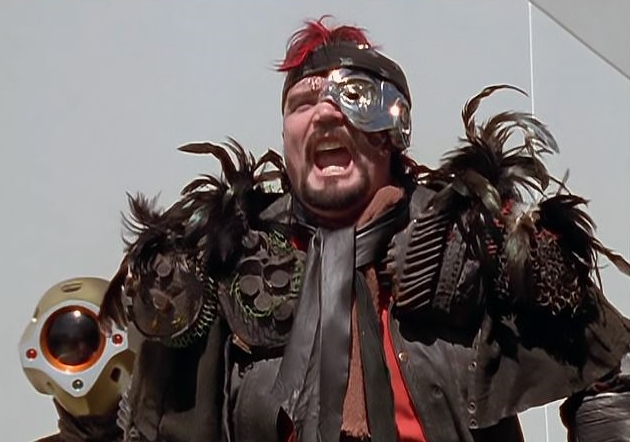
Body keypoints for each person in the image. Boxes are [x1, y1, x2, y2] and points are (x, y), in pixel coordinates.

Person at [42, 16, 630, 442]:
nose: (324, 112)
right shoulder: (222, 259)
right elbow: (136, 422)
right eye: (303, 103)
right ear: (286, 137)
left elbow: (611, 371)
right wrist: (84, 394)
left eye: (353, 96)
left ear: (392, 130)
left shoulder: (475, 238)